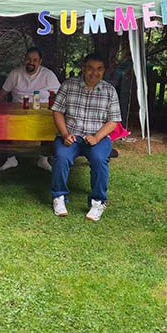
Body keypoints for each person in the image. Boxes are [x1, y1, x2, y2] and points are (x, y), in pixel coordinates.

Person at [50, 53, 121, 221]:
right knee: (61, 156)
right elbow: (57, 111)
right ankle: (58, 197)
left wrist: (97, 137)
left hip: (97, 137)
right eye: (90, 68)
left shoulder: (109, 91)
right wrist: (65, 133)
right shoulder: (68, 85)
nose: (94, 73)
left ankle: (98, 202)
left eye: (99, 69)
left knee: (98, 159)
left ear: (104, 71)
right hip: (71, 135)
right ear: (83, 68)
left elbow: (114, 120)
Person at [0, 46, 61, 172]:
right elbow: (2, 94)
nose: (31, 62)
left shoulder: (48, 75)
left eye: (35, 60)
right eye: (28, 59)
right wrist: (0, 110)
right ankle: (11, 158)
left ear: (40, 61)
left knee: (52, 123)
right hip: (18, 110)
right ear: (24, 59)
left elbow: (60, 94)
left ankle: (43, 159)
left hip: (42, 112)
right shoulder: (15, 73)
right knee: (0, 123)